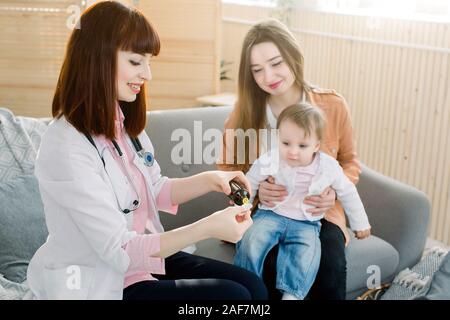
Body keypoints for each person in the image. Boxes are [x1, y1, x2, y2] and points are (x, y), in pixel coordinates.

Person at [26, 1, 268, 300]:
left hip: (145, 262)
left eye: (148, 62)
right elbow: (119, 251)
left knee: (253, 287)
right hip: (103, 281)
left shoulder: (125, 126)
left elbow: (153, 189)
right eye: (136, 62)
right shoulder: (66, 146)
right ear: (97, 58)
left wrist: (211, 179)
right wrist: (207, 227)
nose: (147, 75)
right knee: (235, 298)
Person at [217, 18, 362, 300]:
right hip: (267, 214)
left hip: (319, 214)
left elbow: (350, 161)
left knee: (330, 264)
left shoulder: (332, 105)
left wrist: (332, 192)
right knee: (270, 264)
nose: (268, 76)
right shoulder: (242, 116)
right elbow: (226, 172)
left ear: (293, 57)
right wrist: (251, 195)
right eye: (257, 70)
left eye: (276, 63)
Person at [234, 103, 371, 300]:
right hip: (271, 214)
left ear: (316, 145)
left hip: (306, 223)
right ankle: (246, 282)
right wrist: (241, 208)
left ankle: (292, 294)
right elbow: (250, 182)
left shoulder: (328, 167)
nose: (293, 152)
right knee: (251, 240)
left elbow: (348, 192)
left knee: (306, 255)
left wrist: (360, 223)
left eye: (302, 146)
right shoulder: (271, 159)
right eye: (286, 143)